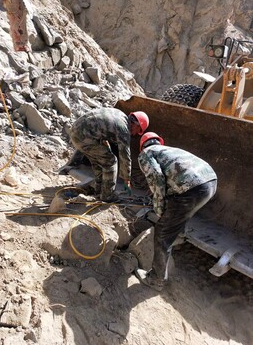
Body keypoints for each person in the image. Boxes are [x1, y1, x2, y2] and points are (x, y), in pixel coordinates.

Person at [135, 132, 217, 291]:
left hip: (191, 188)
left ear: (142, 146)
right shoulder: (170, 150)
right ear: (160, 142)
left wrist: (158, 209)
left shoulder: (146, 153)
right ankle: (177, 234)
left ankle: (156, 279)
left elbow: (157, 179)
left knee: (162, 231)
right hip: (210, 182)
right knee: (179, 212)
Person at [70, 107, 149, 202]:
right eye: (138, 131)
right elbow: (125, 156)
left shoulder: (120, 115)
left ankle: (98, 188)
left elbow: (102, 126)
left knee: (97, 161)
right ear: (136, 125)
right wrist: (126, 179)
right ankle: (108, 195)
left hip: (76, 132)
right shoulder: (123, 129)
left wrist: (103, 141)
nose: (136, 134)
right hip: (84, 138)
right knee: (111, 161)